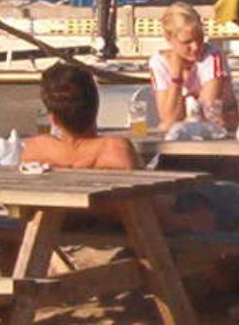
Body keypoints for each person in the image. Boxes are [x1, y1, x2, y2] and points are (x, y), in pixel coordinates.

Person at [21, 62, 215, 234]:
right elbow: (152, 215)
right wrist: (191, 222)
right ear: (96, 108)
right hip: (138, 230)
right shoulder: (114, 150)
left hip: (64, 228)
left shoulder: (35, 150)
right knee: (220, 196)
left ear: (53, 119)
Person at [149, 1, 238, 131]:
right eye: (187, 42)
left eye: (199, 38)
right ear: (169, 39)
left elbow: (206, 114)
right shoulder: (159, 63)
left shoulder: (212, 56)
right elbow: (169, 118)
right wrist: (176, 76)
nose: (195, 47)